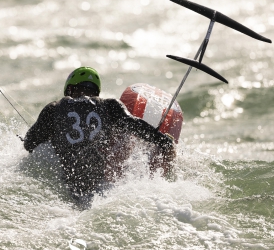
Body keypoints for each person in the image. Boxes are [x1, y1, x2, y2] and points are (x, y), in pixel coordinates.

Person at [23, 66, 175, 207]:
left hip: (66, 187)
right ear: (96, 91)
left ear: (69, 89)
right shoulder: (109, 106)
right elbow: (134, 124)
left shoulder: (53, 109)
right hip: (99, 189)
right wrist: (162, 140)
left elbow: (29, 144)